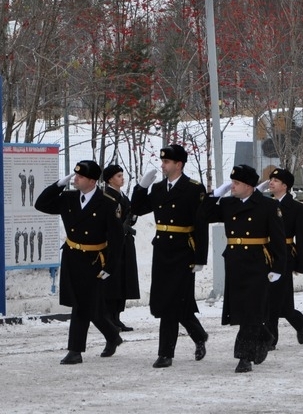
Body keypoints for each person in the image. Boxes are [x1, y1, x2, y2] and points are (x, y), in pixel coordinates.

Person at [199, 164, 287, 373]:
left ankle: (244, 357)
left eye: (236, 183)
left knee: (251, 311)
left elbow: (278, 239)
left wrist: (278, 267)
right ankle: (265, 335)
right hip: (235, 262)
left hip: (257, 263)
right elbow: (203, 215)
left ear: (249, 186)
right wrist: (215, 195)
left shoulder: (267, 206)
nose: (232, 187)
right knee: (240, 310)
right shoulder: (229, 203)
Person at [34, 160, 123, 364]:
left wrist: (110, 266)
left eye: (80, 177)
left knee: (81, 305)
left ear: (92, 181)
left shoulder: (107, 203)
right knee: (87, 304)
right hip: (72, 257)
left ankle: (75, 350)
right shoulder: (68, 198)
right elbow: (41, 204)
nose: (75, 179)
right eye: (75, 176)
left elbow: (117, 240)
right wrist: (57, 186)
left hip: (93, 260)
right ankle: (112, 334)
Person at [131, 144, 210, 368]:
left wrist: (200, 257)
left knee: (173, 304)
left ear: (179, 164)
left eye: (166, 162)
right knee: (170, 301)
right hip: (163, 250)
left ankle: (165, 354)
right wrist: (141, 187)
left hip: (184, 251)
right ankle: (199, 335)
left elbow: (200, 224)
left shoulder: (194, 189)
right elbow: (136, 208)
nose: (162, 165)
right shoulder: (157, 189)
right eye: (162, 161)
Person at [262, 168, 303, 348]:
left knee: (278, 299)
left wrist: (301, 263)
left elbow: (302, 238)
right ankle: (295, 323)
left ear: (285, 186)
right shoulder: (266, 204)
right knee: (272, 299)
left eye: (275, 180)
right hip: (268, 255)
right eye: (270, 179)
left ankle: (272, 338)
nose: (271, 183)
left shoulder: (296, 207)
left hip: (286, 256)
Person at [102, 164, 140, 332]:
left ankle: (117, 316)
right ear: (110, 179)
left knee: (124, 279)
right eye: (118, 176)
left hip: (125, 242)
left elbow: (130, 215)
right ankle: (109, 317)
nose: (122, 178)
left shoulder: (122, 195)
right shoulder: (107, 196)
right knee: (114, 281)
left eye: (122, 175)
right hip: (113, 244)